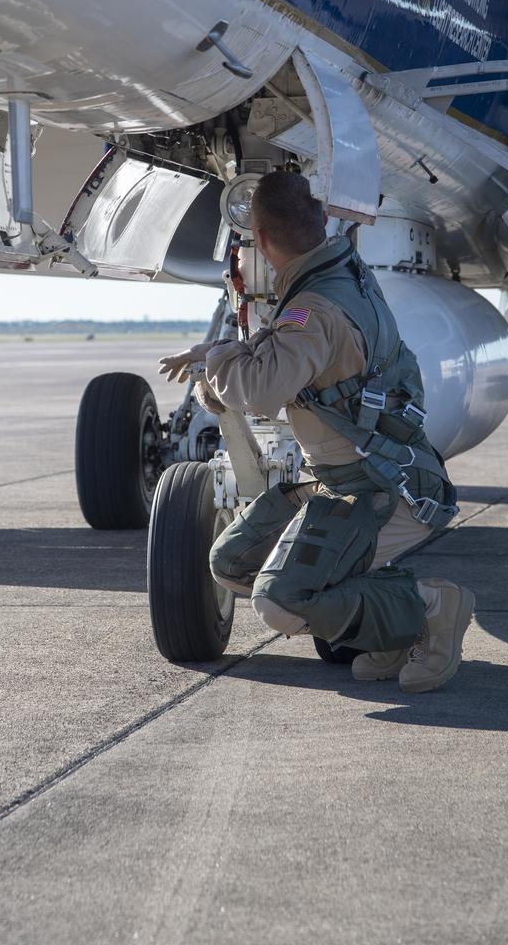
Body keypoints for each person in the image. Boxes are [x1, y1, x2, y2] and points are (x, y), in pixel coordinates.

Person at [160, 170, 475, 693]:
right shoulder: (337, 273)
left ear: (257, 238)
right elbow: (285, 346)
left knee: (279, 602)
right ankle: (390, 635)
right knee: (233, 560)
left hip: (380, 488)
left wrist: (216, 354)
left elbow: (259, 388)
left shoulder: (314, 309)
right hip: (343, 478)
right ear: (321, 219)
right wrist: (216, 357)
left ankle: (429, 611)